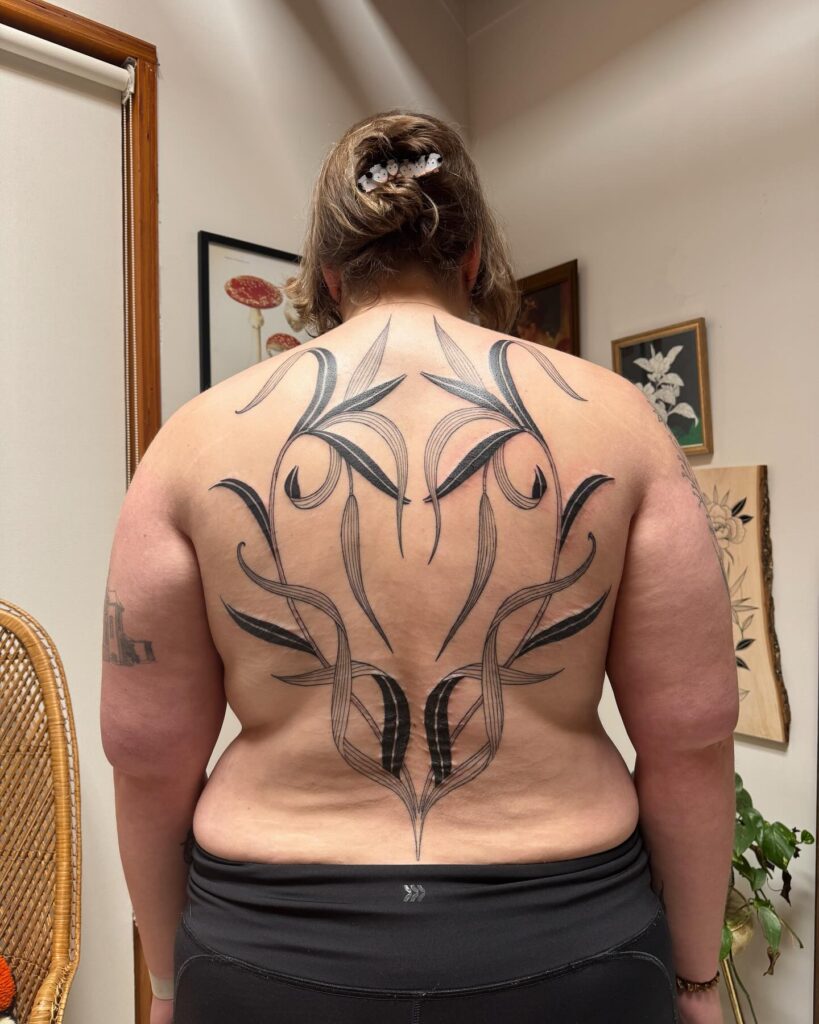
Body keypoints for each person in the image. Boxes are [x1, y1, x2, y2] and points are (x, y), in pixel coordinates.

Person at [100, 110, 738, 1024]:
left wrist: (167, 985)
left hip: (268, 956)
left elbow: (144, 755)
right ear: (472, 259)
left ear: (328, 273)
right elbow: (692, 736)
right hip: (567, 944)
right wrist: (697, 982)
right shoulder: (620, 421)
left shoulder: (192, 440)